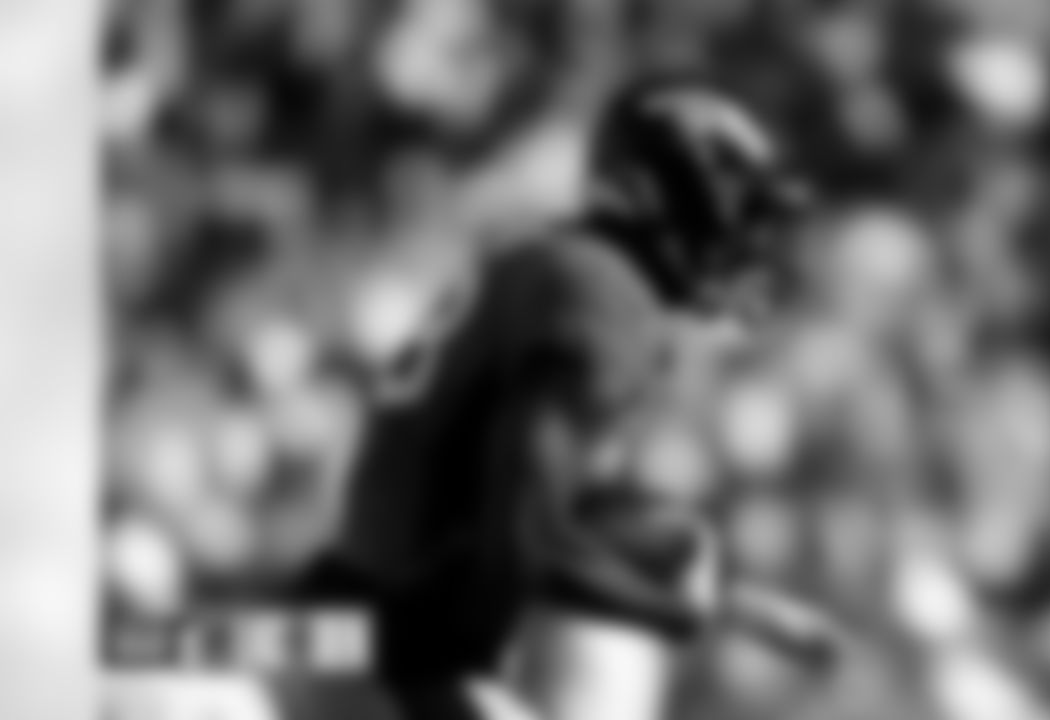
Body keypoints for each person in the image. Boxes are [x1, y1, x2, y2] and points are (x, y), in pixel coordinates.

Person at [293, 75, 809, 720]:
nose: (741, 241)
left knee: (672, 540)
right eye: (734, 209)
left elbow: (510, 503)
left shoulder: (556, 262)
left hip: (345, 621)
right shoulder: (604, 299)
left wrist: (707, 583)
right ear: (661, 192)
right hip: (387, 652)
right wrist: (677, 612)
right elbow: (525, 534)